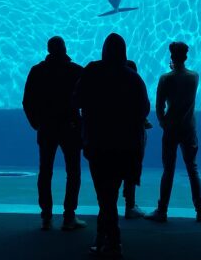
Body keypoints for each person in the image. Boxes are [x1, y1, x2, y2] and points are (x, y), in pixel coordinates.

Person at [74, 33, 150, 257]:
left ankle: (110, 238)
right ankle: (107, 237)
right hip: (124, 146)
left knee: (104, 194)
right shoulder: (133, 78)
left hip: (97, 144)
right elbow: (143, 110)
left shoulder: (92, 72)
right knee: (110, 193)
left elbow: (75, 100)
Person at [22, 36, 86, 231]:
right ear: (64, 48)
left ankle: (46, 217)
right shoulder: (76, 71)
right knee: (73, 172)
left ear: (48, 50)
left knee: (45, 172)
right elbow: (87, 100)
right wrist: (81, 124)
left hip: (47, 128)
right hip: (70, 128)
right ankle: (69, 217)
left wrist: (37, 124)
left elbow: (27, 102)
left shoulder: (38, 71)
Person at [145, 42, 201, 223]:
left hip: (171, 129)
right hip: (189, 128)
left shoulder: (165, 79)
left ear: (171, 57)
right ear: (186, 56)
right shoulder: (194, 77)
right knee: (192, 169)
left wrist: (162, 122)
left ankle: (162, 210)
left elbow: (159, 106)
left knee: (168, 170)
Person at [121, 60, 152, 219]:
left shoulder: (114, 86)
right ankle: (130, 205)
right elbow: (144, 108)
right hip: (133, 137)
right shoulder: (137, 83)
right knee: (131, 169)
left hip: (114, 136)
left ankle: (110, 207)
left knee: (114, 172)